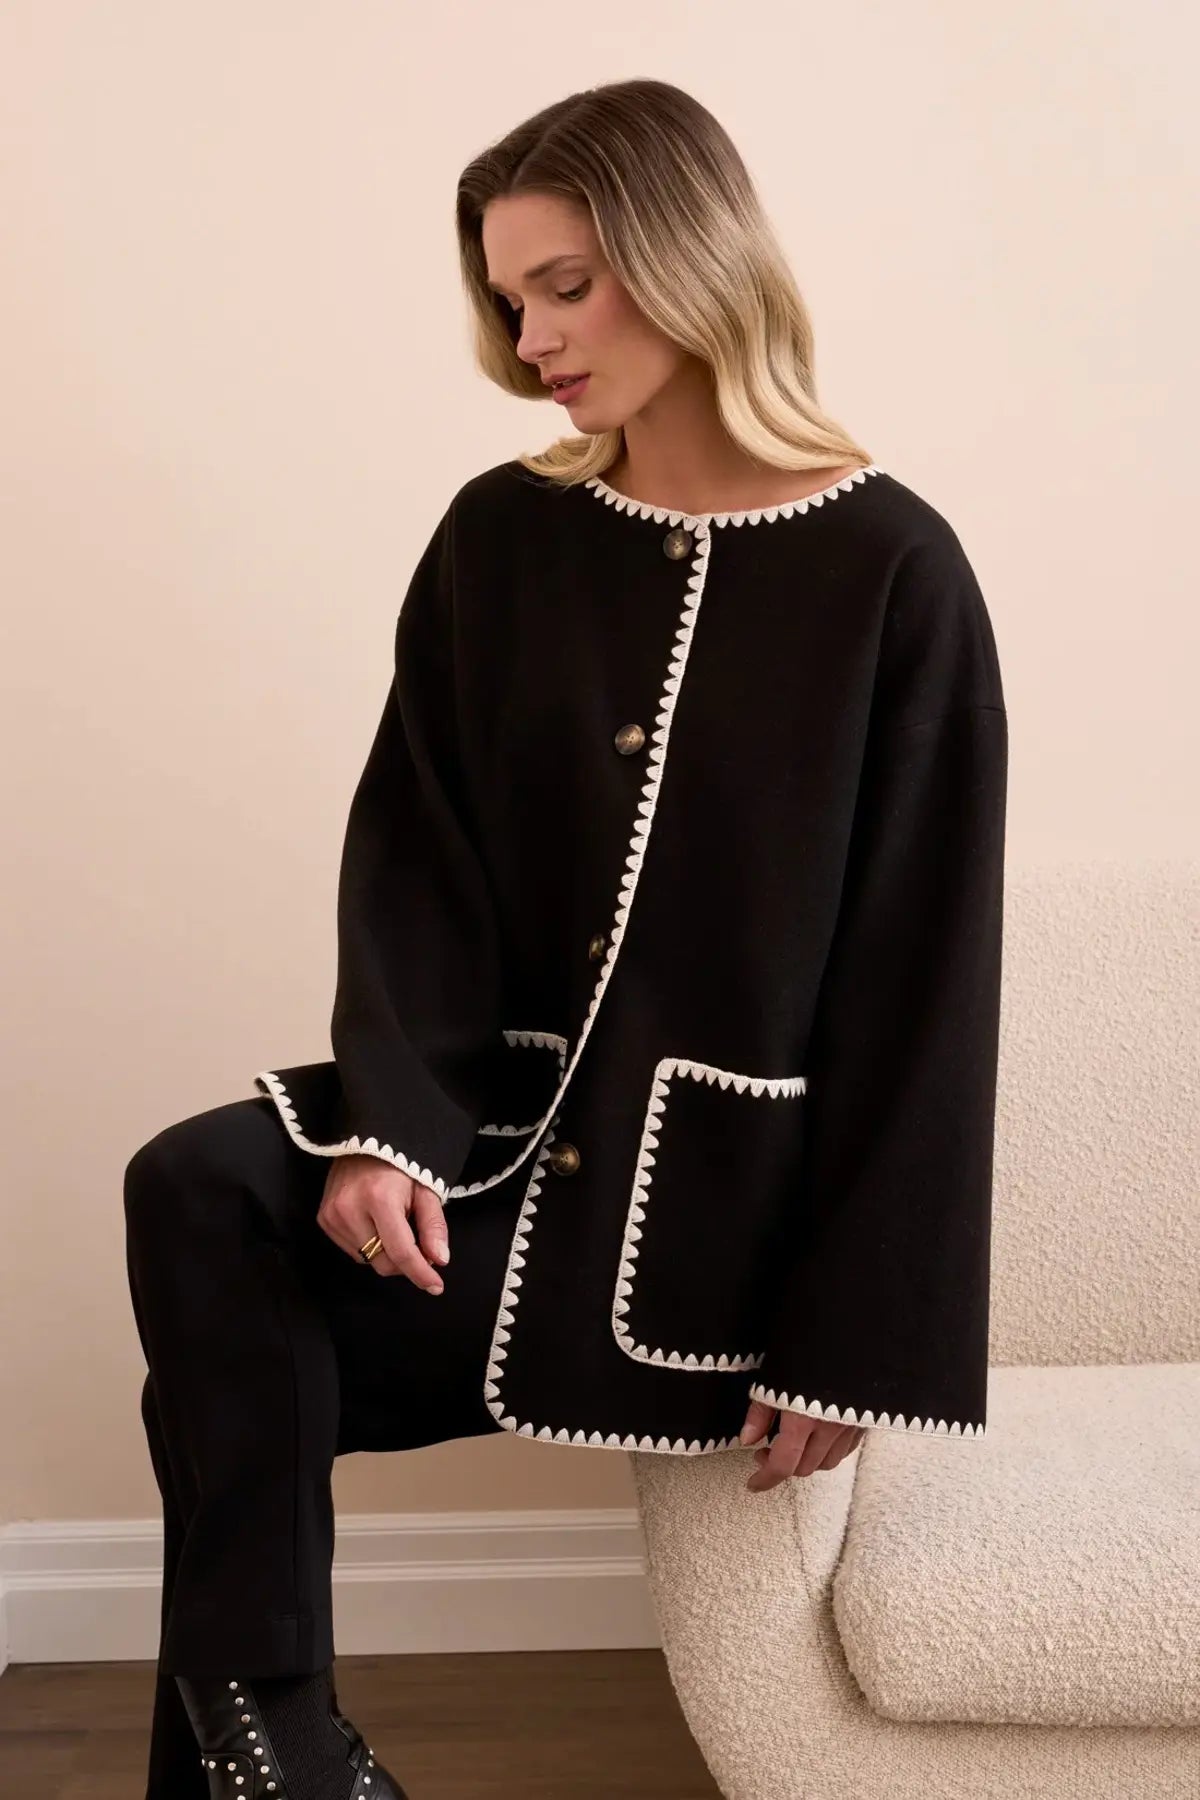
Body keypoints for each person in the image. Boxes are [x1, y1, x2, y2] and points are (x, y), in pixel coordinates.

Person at [123, 76, 1008, 1800]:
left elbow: (925, 990)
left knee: (211, 1403)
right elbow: (419, 857)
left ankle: (261, 1760)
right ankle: (287, 1759)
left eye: (566, 286)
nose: (529, 339)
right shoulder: (501, 536)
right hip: (490, 1169)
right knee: (197, 1188)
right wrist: (391, 1127)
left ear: (690, 259)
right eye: (508, 297)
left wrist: (859, 1340)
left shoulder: (897, 571)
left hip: (699, 1255)